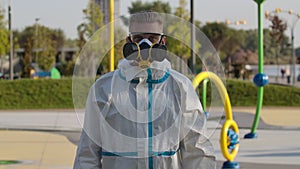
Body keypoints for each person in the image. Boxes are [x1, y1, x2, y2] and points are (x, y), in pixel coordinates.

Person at [73, 11, 216, 169]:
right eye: (138, 38)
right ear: (129, 41)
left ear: (162, 41)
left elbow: (197, 149)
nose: (145, 45)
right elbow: (88, 153)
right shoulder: (104, 89)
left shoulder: (181, 87)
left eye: (152, 38)